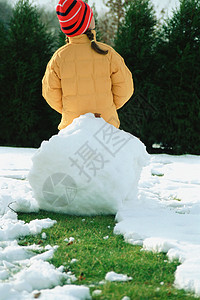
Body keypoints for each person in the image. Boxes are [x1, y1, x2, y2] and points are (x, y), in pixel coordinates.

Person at [42, 0, 134, 130]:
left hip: (72, 129)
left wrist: (69, 109)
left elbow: (50, 93)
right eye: (90, 16)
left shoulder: (59, 58)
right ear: (85, 23)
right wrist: (109, 105)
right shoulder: (108, 53)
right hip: (106, 125)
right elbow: (126, 88)